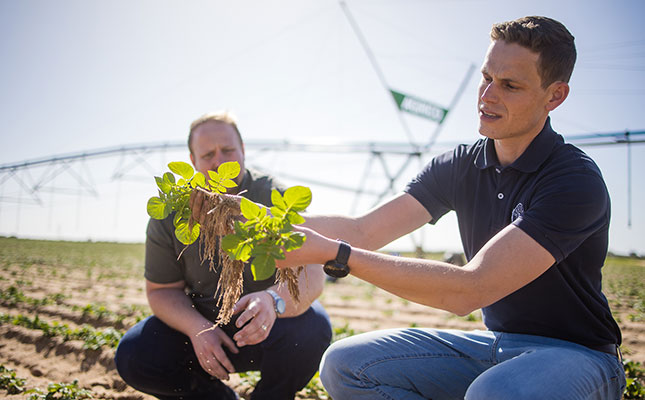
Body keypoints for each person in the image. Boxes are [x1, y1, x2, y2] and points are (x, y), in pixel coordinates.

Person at [263, 16, 625, 399]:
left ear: (554, 96)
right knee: (345, 365)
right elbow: (363, 231)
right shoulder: (461, 165)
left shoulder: (572, 179)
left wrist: (337, 255)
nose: (487, 96)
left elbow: (471, 289)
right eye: (486, 78)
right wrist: (250, 218)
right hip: (497, 346)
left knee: (494, 393)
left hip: (580, 358)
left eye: (509, 86)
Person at [114, 111, 332, 400]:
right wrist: (198, 329)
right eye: (208, 155)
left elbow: (313, 275)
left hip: (269, 323)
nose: (219, 161)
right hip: (205, 325)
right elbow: (161, 291)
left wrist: (272, 300)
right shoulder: (172, 212)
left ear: (242, 149)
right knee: (136, 355)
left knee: (312, 329)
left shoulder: (273, 197)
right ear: (193, 161)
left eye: (228, 150)